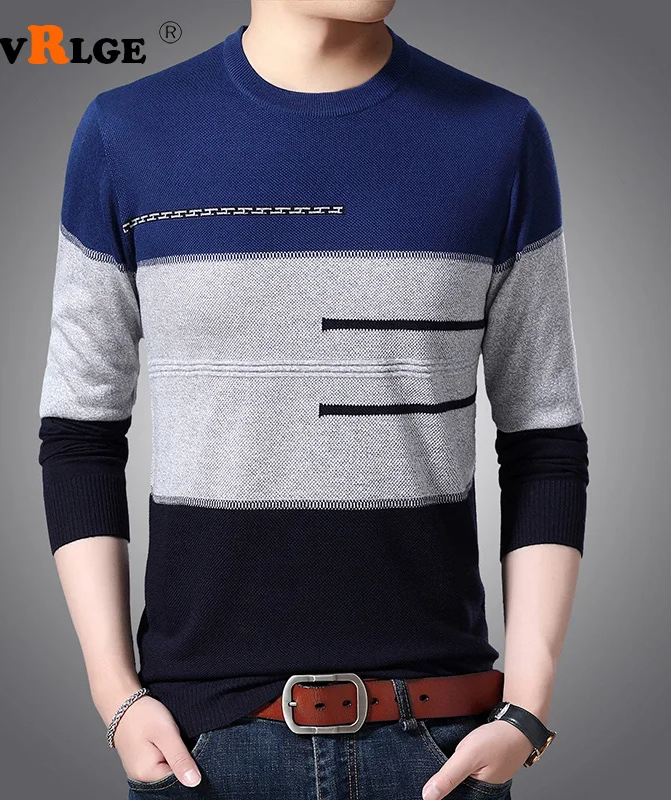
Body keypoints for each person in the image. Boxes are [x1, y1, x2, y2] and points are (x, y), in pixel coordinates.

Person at [37, 2, 589, 798]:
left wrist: (527, 709)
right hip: (202, 751)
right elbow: (80, 432)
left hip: (439, 746)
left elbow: (543, 438)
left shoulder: (499, 136)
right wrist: (113, 693)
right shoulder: (127, 133)